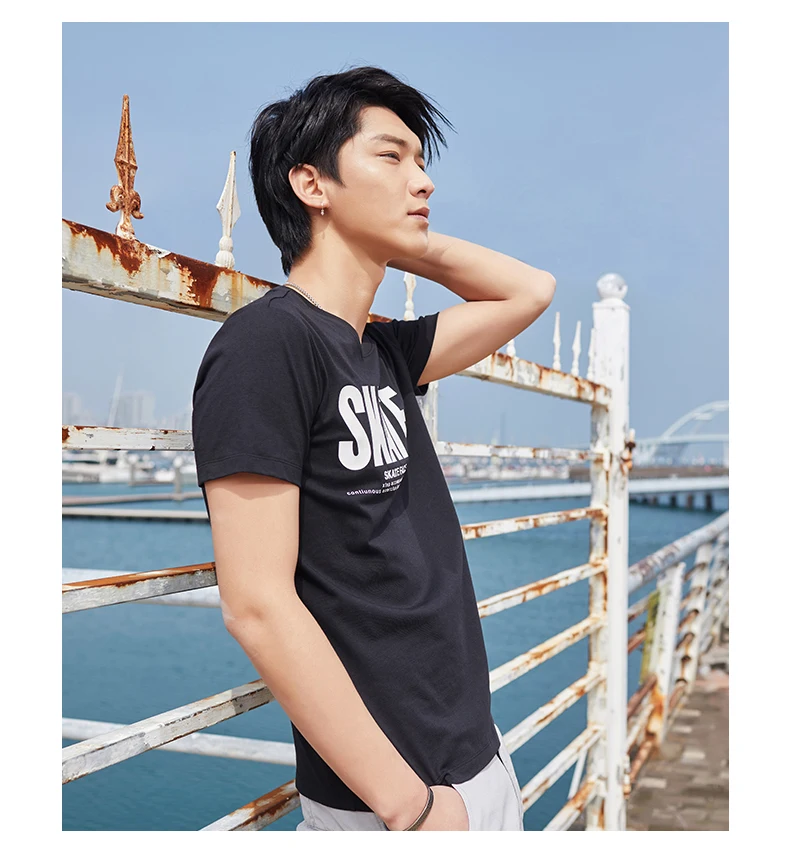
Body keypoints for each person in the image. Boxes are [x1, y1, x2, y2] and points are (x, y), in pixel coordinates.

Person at [191, 65, 555, 831]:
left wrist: (392, 238)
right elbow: (256, 604)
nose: (423, 181)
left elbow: (529, 291)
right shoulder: (266, 344)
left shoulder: (381, 351)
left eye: (421, 161)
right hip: (391, 804)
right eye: (391, 157)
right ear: (311, 183)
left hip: (476, 761)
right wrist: (410, 807)